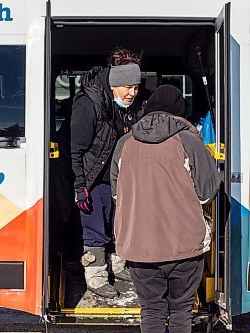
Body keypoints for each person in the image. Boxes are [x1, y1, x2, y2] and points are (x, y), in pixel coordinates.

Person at [110, 85, 220, 332]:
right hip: (184, 245)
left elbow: (117, 194)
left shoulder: (125, 143)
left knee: (151, 310)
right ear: (181, 112)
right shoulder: (189, 141)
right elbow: (206, 193)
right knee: (181, 310)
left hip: (139, 246)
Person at [71, 48, 143, 298]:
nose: (132, 93)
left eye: (136, 87)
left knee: (118, 225)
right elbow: (76, 149)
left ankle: (118, 267)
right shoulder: (88, 104)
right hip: (94, 178)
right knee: (95, 229)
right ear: (114, 84)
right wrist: (80, 186)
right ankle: (96, 276)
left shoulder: (124, 107)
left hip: (117, 177)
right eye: (127, 88)